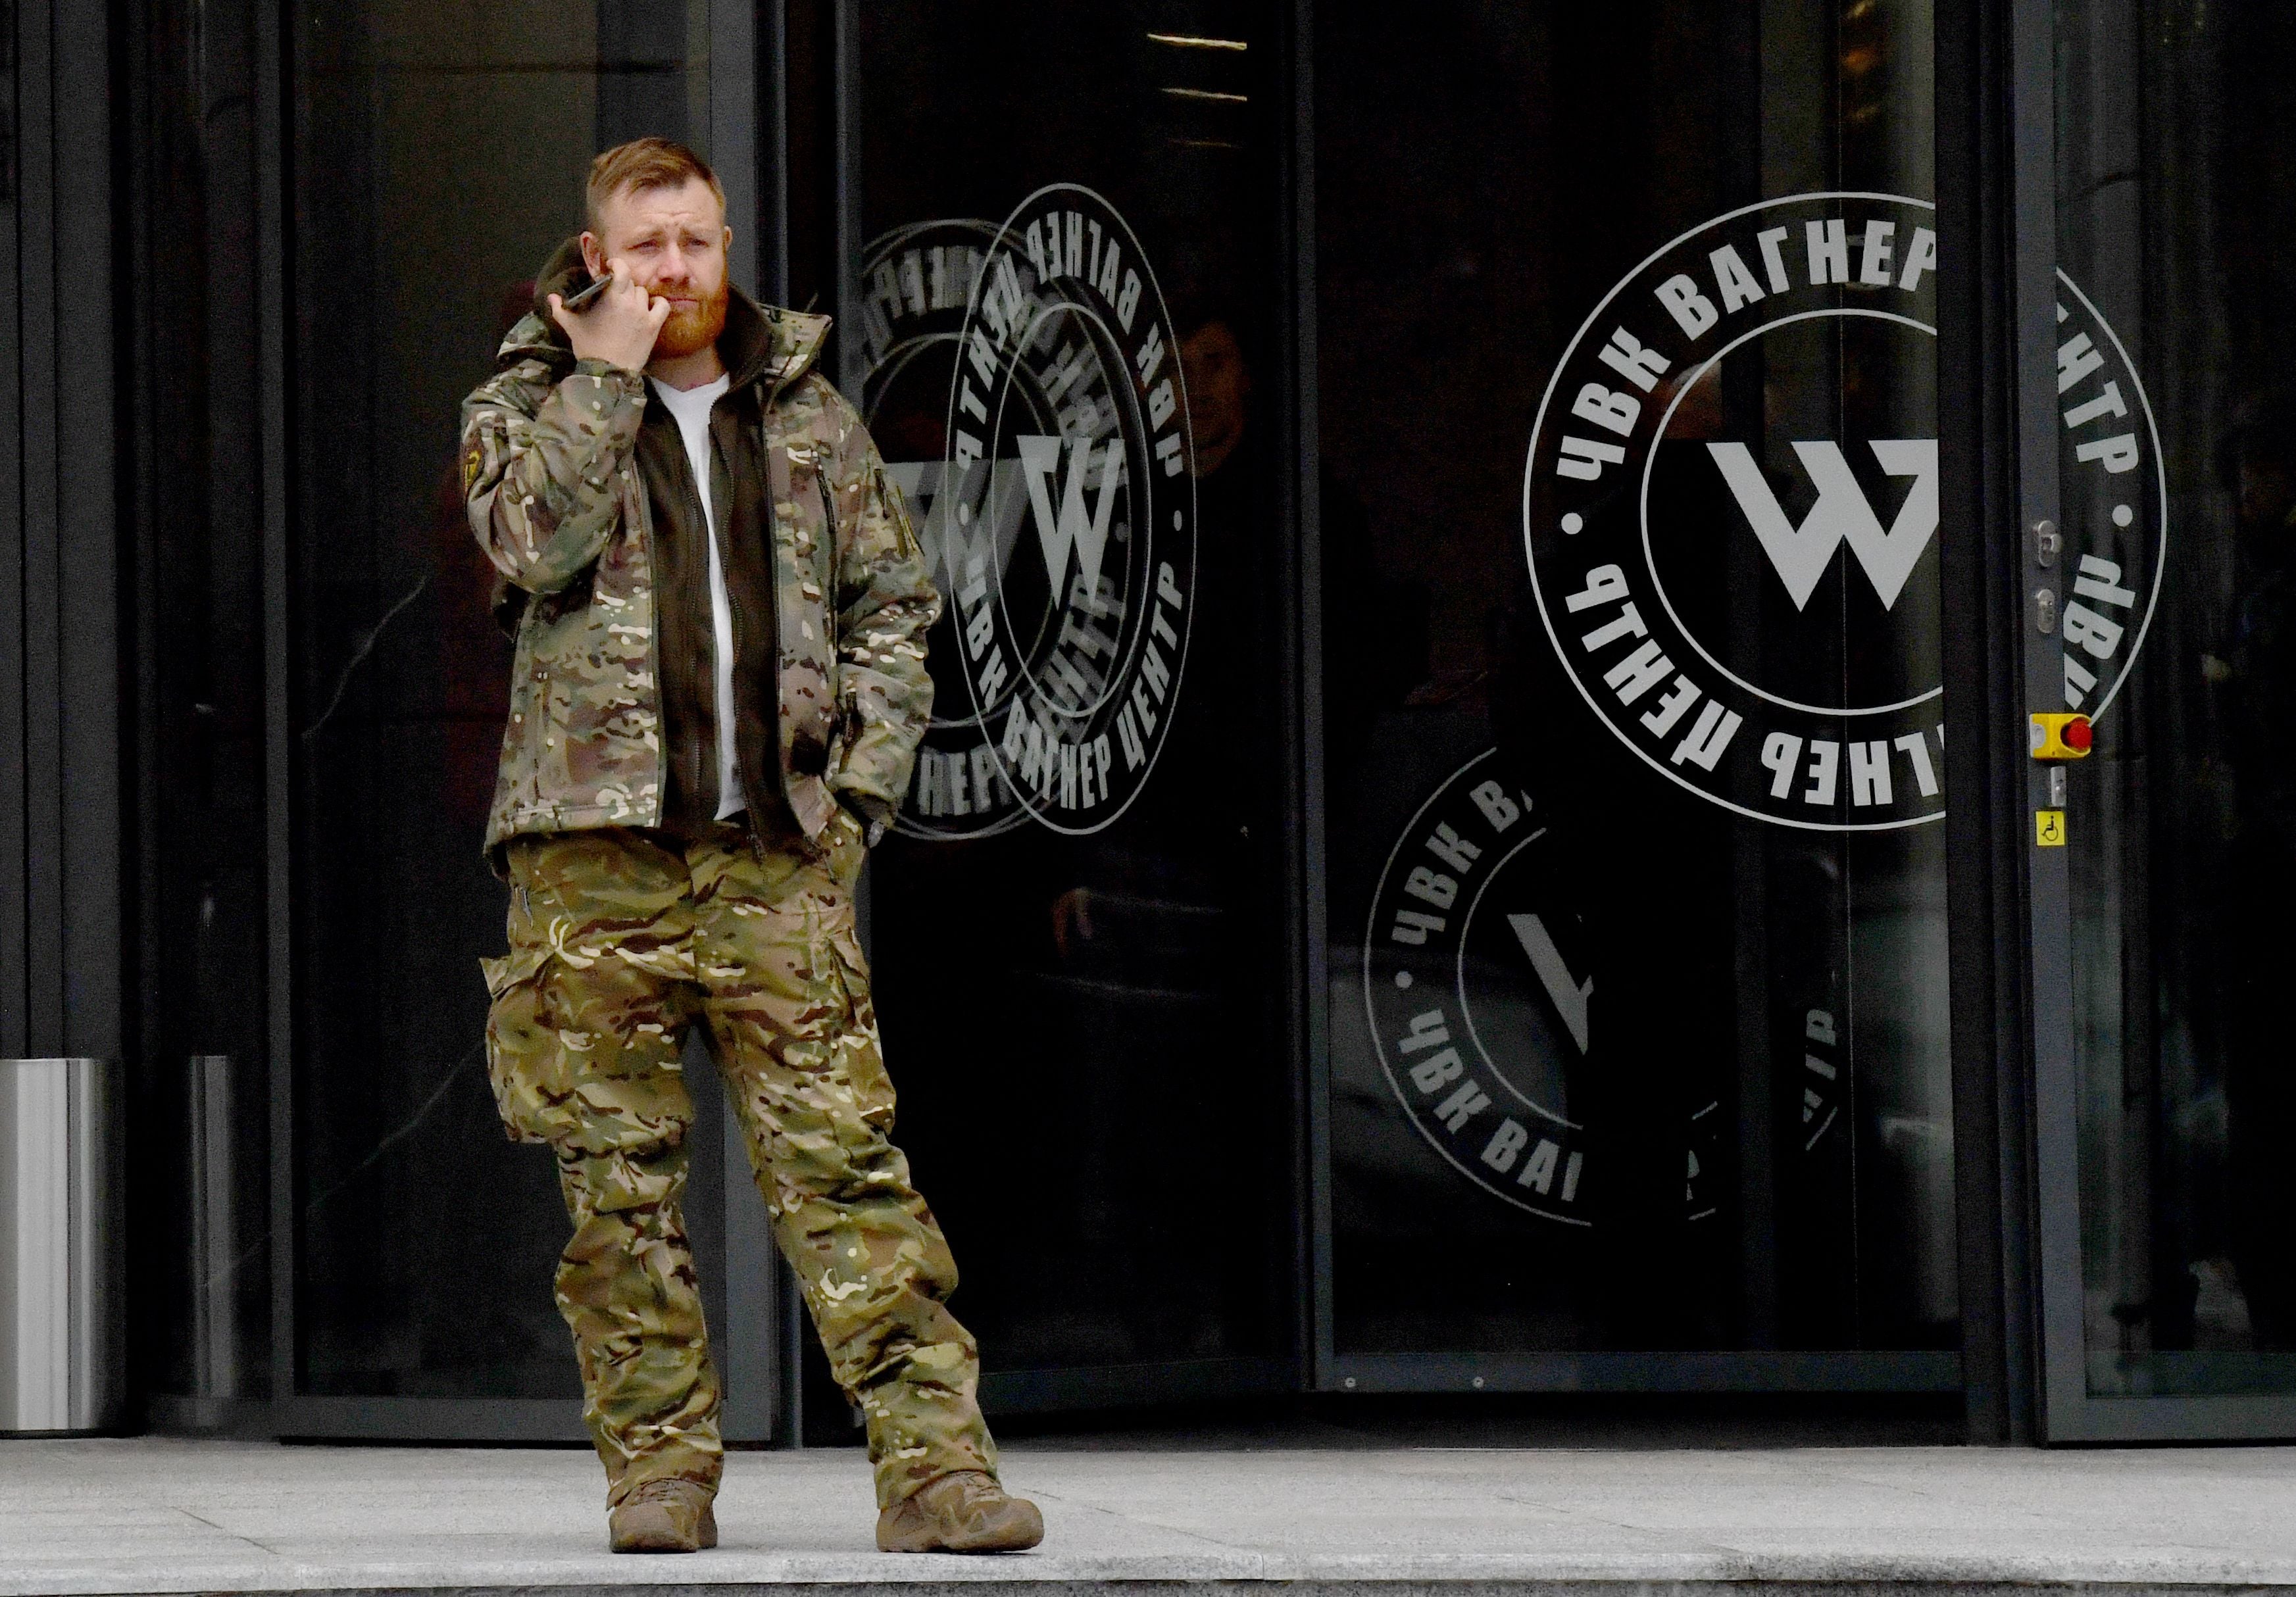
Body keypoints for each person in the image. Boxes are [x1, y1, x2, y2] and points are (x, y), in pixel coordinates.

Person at [460, 138, 1041, 1557]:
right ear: (596, 260)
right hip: (589, 863)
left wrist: (854, 804)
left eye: (697, 242)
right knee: (617, 1193)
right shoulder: (524, 401)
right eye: (647, 246)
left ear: (726, 247)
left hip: (774, 853)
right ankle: (657, 1478)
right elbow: (524, 543)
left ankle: (934, 1474)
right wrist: (602, 373)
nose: (676, 271)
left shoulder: (808, 415)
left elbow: (895, 610)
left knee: (846, 1169)